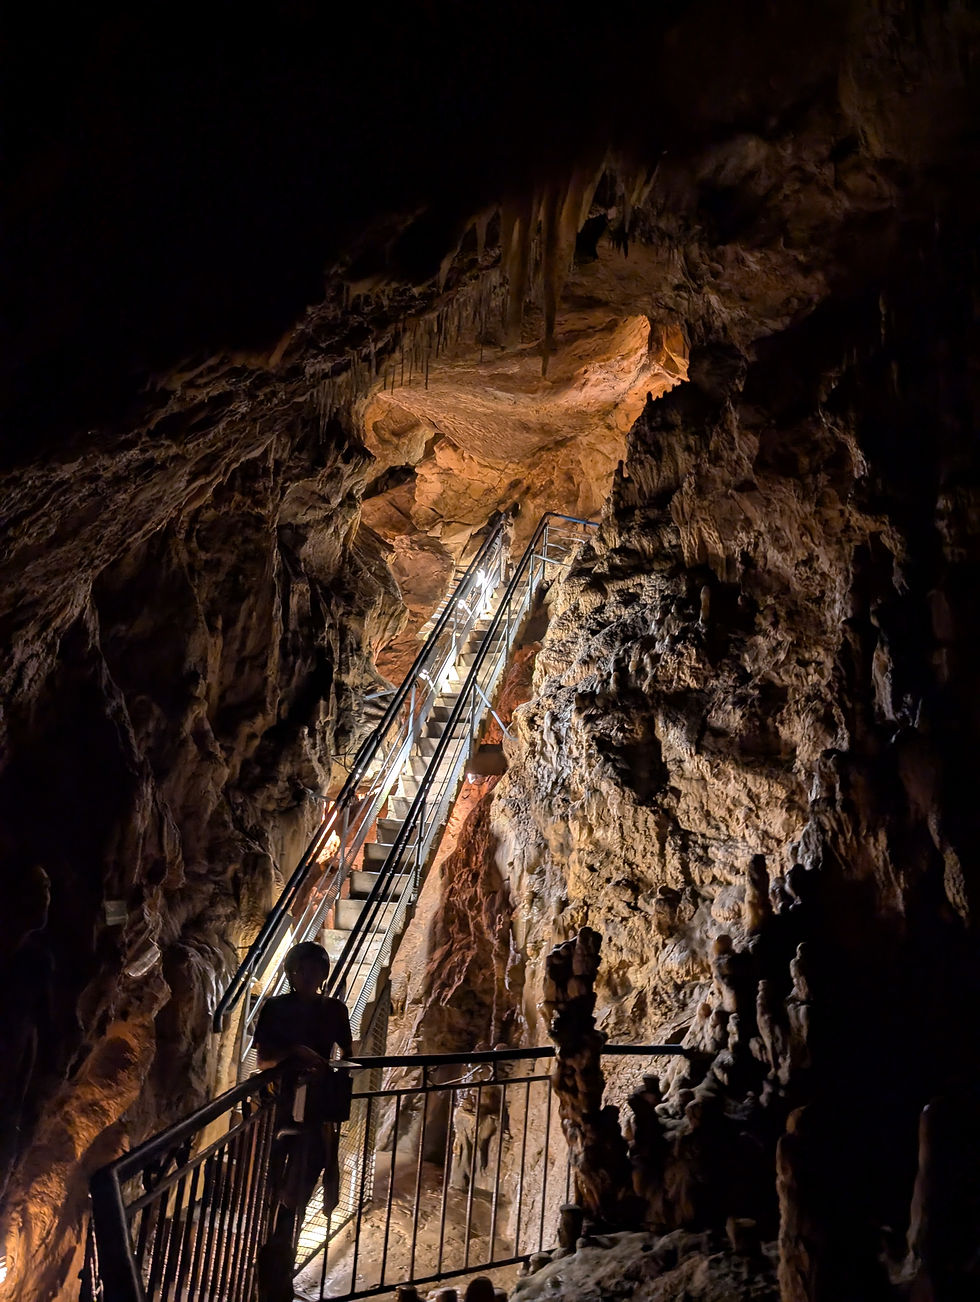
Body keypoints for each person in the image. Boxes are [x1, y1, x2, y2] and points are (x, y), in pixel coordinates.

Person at [254, 942, 352, 1300]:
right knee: (278, 1197)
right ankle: (273, 1278)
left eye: (314, 970)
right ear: (291, 974)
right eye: (301, 971)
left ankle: (280, 1277)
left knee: (300, 1196)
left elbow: (346, 1056)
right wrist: (297, 1053)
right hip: (281, 1115)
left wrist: (327, 1072)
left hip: (317, 1115)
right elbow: (264, 1059)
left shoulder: (336, 1011)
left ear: (323, 974)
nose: (308, 977)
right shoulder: (276, 1008)